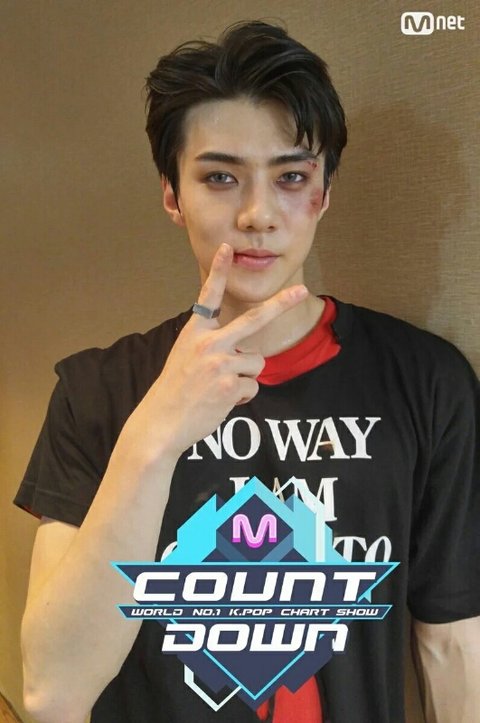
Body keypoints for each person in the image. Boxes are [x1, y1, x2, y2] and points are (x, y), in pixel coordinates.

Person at [15, 20, 479, 723]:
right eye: (220, 177)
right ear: (173, 195)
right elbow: (52, 693)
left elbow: (449, 641)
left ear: (323, 193)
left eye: (291, 177)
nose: (259, 215)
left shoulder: (426, 380)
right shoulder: (97, 392)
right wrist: (154, 437)